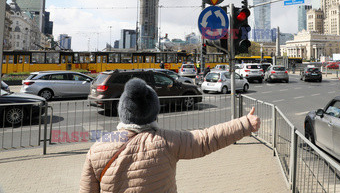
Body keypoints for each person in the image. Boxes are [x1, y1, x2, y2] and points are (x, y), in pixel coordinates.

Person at [79, 78, 260, 192]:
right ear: (154, 111)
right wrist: (244, 124)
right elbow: (206, 139)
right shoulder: (166, 141)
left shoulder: (97, 148)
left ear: (122, 110)